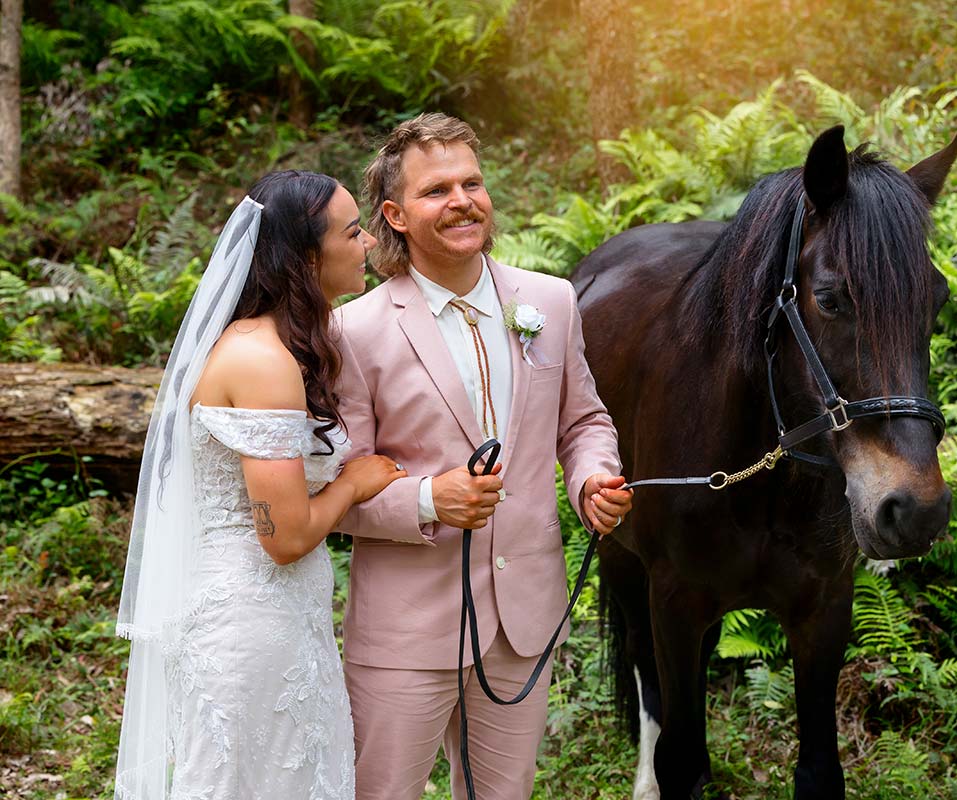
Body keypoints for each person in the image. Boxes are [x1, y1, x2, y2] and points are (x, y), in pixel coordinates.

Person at [333, 112, 635, 799]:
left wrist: (592, 478)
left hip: (521, 623)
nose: (462, 199)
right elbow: (339, 482)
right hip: (405, 629)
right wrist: (426, 500)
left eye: (472, 182)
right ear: (395, 214)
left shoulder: (551, 302)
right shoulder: (353, 330)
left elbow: (583, 420)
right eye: (437, 190)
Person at [114, 170, 403, 800]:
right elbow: (286, 536)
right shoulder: (262, 361)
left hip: (281, 617)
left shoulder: (273, 344)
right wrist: (354, 484)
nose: (369, 246)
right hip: (251, 624)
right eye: (353, 233)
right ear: (305, 256)